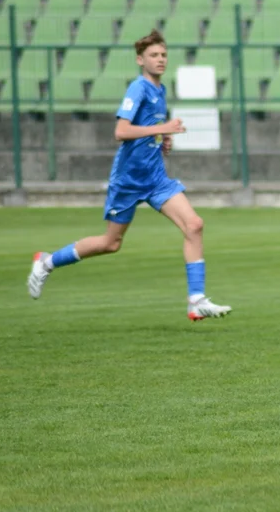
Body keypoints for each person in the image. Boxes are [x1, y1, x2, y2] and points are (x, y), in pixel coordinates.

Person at [27, 29, 231, 321]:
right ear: (140, 60)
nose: (160, 60)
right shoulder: (138, 88)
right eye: (153, 55)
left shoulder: (160, 90)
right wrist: (161, 130)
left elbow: (148, 130)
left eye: (163, 55)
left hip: (156, 178)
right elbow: (121, 132)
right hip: (129, 180)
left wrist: (162, 140)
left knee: (194, 225)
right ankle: (47, 262)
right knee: (110, 243)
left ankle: (196, 300)